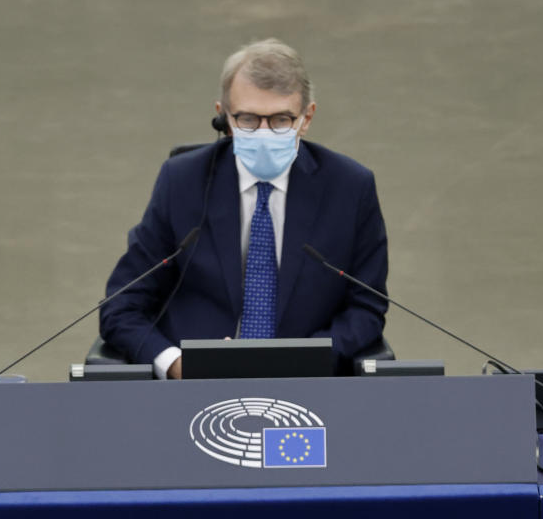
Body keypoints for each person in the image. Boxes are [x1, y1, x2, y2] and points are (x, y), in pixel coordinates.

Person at [100, 39, 388, 377]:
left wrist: (306, 360)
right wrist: (174, 363)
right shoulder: (182, 183)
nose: (264, 133)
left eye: (281, 120)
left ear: (306, 117)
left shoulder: (350, 188)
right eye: (248, 119)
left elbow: (366, 307)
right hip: (194, 388)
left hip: (308, 387)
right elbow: (122, 306)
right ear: (223, 116)